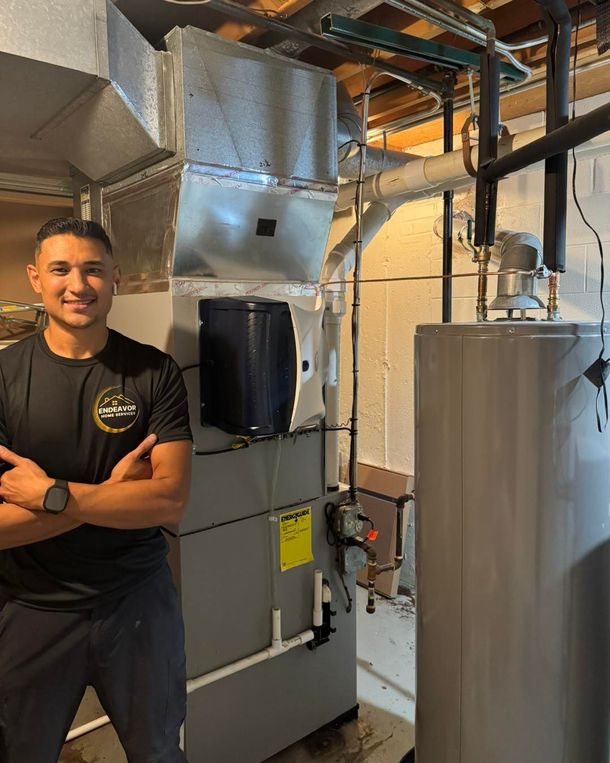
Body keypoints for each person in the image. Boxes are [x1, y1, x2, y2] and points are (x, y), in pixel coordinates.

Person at [0, 217, 193, 763]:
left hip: (137, 603)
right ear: (35, 278)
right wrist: (111, 493)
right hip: (32, 607)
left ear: (117, 279)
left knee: (158, 751)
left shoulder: (155, 372)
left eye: (92, 270)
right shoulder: (4, 377)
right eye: (60, 269)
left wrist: (52, 495)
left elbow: (169, 501)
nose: (77, 285)